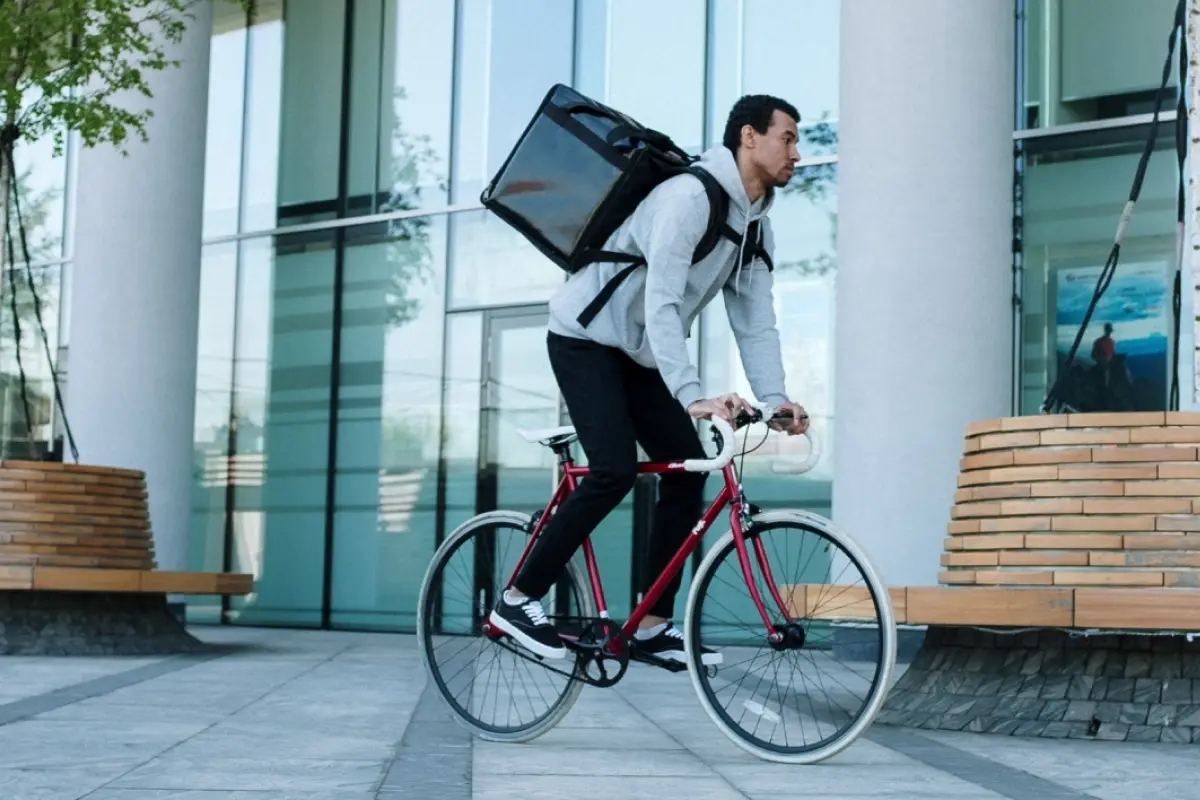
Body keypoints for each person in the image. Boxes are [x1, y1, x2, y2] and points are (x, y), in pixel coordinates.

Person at [488, 95, 811, 667]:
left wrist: (776, 399)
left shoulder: (756, 228)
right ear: (748, 137)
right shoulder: (689, 198)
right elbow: (663, 303)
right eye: (786, 137)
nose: (795, 151)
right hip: (585, 339)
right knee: (612, 469)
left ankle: (652, 624)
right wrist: (692, 395)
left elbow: (756, 322)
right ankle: (516, 600)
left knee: (687, 474)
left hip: (638, 356)